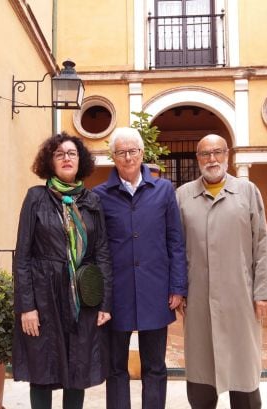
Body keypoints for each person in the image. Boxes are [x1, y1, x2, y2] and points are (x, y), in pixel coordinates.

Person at [175, 134, 267, 409]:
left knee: (243, 370)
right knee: (201, 369)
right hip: (198, 298)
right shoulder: (183, 195)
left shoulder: (247, 191)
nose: (212, 159)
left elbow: (262, 242)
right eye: (205, 154)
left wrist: (265, 292)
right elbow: (175, 248)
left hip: (240, 297)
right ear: (198, 159)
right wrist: (178, 289)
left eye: (217, 152)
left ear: (228, 155)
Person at [12, 132, 112, 409]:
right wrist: (26, 306)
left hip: (82, 296)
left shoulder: (92, 201)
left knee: (78, 368)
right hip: (44, 297)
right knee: (42, 368)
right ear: (50, 162)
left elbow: (102, 252)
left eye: (72, 153)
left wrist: (105, 302)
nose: (66, 158)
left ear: (80, 161)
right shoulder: (36, 198)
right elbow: (22, 255)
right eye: (60, 154)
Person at [93, 127, 187, 409]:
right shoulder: (99, 195)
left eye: (132, 151)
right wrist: (100, 296)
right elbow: (97, 248)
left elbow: (176, 241)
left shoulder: (164, 190)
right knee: (115, 366)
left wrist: (177, 287)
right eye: (121, 152)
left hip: (156, 290)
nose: (128, 157)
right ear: (113, 157)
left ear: (142, 154)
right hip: (117, 293)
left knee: (155, 365)